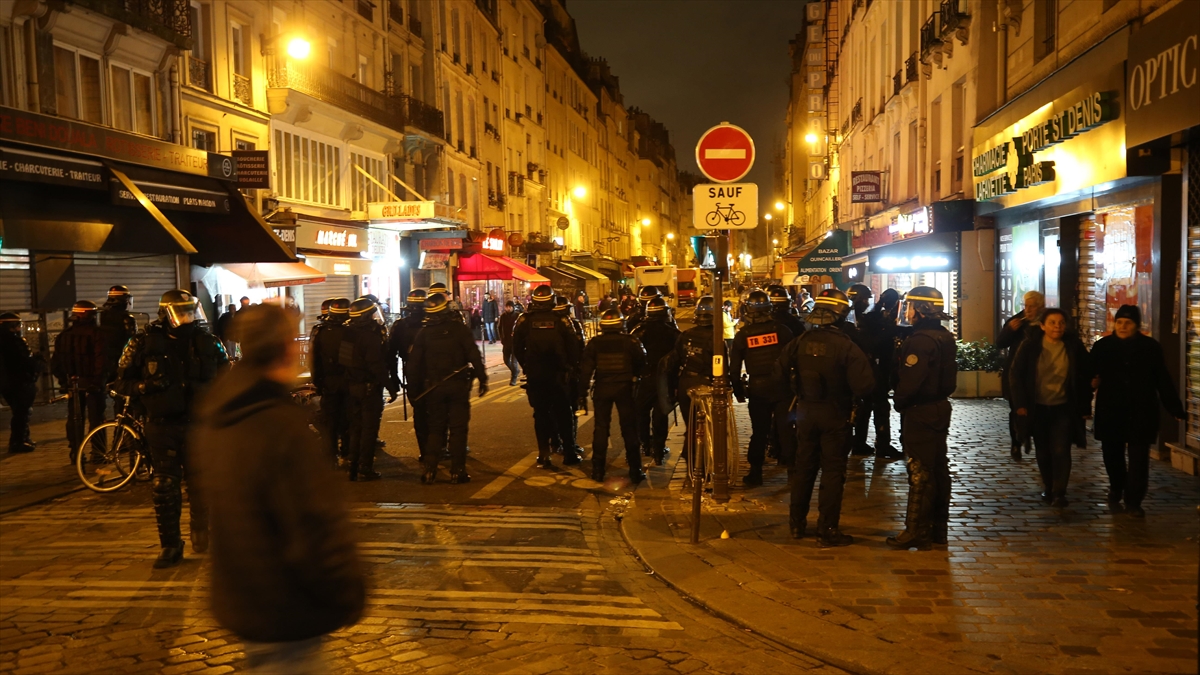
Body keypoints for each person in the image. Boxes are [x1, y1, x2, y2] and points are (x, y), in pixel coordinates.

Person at [193, 303, 365, 672]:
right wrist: (347, 588)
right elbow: (314, 522)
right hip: (288, 607)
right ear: (285, 347)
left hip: (242, 599)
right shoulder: (281, 426)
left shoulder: (218, 414)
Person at [114, 289, 228, 568]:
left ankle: (202, 531)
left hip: (200, 425)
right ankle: (170, 545)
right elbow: (120, 381)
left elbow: (228, 378)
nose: (188, 318)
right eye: (183, 312)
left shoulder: (209, 342)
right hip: (162, 424)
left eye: (192, 311)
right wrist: (144, 387)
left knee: (201, 483)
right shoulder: (142, 343)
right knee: (164, 485)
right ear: (166, 313)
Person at [780, 289, 874, 546]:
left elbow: (778, 372)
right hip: (836, 415)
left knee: (804, 469)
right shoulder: (847, 346)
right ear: (841, 314)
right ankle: (827, 529)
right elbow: (865, 385)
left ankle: (797, 524)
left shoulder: (799, 341)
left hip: (806, 412)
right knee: (833, 473)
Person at [1090, 305, 1185, 517]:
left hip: (1141, 411)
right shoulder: (1103, 346)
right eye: (1120, 322)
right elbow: (1088, 374)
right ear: (1114, 324)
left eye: (1128, 323)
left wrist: (1174, 407)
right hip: (1111, 409)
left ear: (1136, 325)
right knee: (1112, 454)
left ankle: (1134, 501)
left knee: (1139, 459)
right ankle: (1117, 485)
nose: (1123, 326)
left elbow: (1162, 379)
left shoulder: (1150, 347)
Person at [885, 287, 959, 550]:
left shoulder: (919, 341)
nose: (908, 311)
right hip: (940, 407)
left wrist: (899, 401)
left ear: (920, 309)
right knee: (938, 469)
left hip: (920, 410)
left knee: (919, 471)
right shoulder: (944, 337)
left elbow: (910, 381)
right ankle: (938, 528)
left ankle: (916, 530)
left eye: (911, 306)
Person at [1009, 308, 1093, 509]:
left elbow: (1084, 373)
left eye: (1061, 323)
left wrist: (1086, 399)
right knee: (1044, 450)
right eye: (1053, 323)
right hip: (1037, 407)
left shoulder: (1072, 346)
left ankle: (1059, 491)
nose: (1057, 327)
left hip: (1063, 407)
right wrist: (1020, 404)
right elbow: (1015, 374)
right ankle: (1048, 484)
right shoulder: (1030, 346)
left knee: (1061, 449)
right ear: (1043, 326)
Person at [406, 292, 487, 484]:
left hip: (434, 388)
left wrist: (413, 391)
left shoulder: (424, 334)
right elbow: (474, 355)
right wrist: (483, 379)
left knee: (435, 428)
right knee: (458, 429)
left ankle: (429, 470)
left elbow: (413, 366)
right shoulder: (458, 329)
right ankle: (457, 471)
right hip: (458, 385)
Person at [730, 290, 795, 486]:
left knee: (760, 431)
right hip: (782, 388)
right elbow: (794, 358)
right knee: (786, 430)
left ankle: (756, 472)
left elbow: (734, 369)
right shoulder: (782, 330)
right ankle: (793, 473)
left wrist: (738, 392)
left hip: (758, 389)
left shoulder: (743, 336)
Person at [513, 285, 581, 468]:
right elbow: (574, 346)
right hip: (558, 374)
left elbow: (516, 346)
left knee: (541, 414)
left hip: (536, 374)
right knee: (563, 414)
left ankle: (544, 455)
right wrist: (570, 367)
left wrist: (526, 366)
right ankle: (568, 453)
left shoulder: (524, 320)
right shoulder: (562, 320)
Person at [579, 309, 647, 482]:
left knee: (601, 428)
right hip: (625, 388)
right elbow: (642, 361)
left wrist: (582, 394)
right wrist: (635, 377)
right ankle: (635, 470)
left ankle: (598, 470)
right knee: (629, 428)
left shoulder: (595, 343)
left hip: (603, 387)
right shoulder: (630, 341)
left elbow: (585, 371)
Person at [661, 296, 725, 469]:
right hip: (706, 385)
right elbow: (722, 366)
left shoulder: (686, 335)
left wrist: (674, 387)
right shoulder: (717, 339)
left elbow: (673, 363)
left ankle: (691, 459)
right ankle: (702, 464)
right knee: (708, 427)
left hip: (685, 383)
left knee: (691, 424)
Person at [342, 298, 397, 481]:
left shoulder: (347, 334)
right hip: (368, 388)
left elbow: (344, 361)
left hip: (352, 387)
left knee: (354, 427)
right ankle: (365, 467)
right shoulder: (370, 337)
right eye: (372, 314)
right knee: (368, 429)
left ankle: (353, 464)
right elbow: (376, 366)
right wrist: (390, 386)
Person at [51, 301, 108, 462]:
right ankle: (98, 452)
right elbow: (101, 361)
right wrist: (98, 381)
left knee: (75, 418)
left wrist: (65, 382)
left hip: (73, 384)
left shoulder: (64, 335)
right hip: (93, 384)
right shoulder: (98, 335)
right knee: (97, 419)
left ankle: (76, 452)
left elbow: (56, 363)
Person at [854, 288, 904, 460]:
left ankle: (859, 443)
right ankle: (882, 445)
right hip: (877, 370)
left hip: (867, 370)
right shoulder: (879, 321)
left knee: (866, 406)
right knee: (880, 407)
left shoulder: (867, 317)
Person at [630, 296, 680, 465]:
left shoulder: (638, 331)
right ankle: (658, 451)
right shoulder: (673, 333)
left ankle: (645, 445)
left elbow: (630, 357)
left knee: (641, 414)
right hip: (664, 381)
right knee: (660, 415)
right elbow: (679, 360)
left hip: (644, 380)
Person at [997, 290, 1045, 459]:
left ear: (1041, 307)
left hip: (1038, 374)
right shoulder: (1018, 322)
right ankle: (1016, 442)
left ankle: (1031, 437)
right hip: (1016, 373)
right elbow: (1000, 343)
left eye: (1032, 306)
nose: (1028, 310)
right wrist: (1009, 330)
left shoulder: (1047, 323)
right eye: (1026, 306)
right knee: (1017, 409)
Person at [312, 298, 352, 466]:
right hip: (349, 382)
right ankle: (348, 453)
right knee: (348, 419)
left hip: (329, 382)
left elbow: (314, 360)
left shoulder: (320, 331)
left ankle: (330, 455)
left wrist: (318, 382)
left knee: (330, 421)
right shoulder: (352, 331)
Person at [553, 294, 587, 459]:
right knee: (570, 411)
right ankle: (569, 445)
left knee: (550, 411)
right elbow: (580, 349)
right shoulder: (572, 325)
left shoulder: (543, 324)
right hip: (568, 374)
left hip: (547, 374)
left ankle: (554, 443)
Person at [0, 313, 39, 454]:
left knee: (19, 411)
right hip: (19, 382)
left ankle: (24, 438)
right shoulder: (16, 342)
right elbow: (26, 362)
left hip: (5, 383)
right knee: (22, 413)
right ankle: (18, 441)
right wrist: (37, 364)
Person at [498, 300, 521, 386]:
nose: (508, 308)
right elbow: (499, 328)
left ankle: (513, 378)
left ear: (512, 307)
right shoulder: (503, 316)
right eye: (506, 307)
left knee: (514, 362)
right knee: (506, 360)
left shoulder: (517, 316)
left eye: (509, 307)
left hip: (515, 342)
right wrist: (501, 338)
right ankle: (515, 371)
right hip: (506, 341)